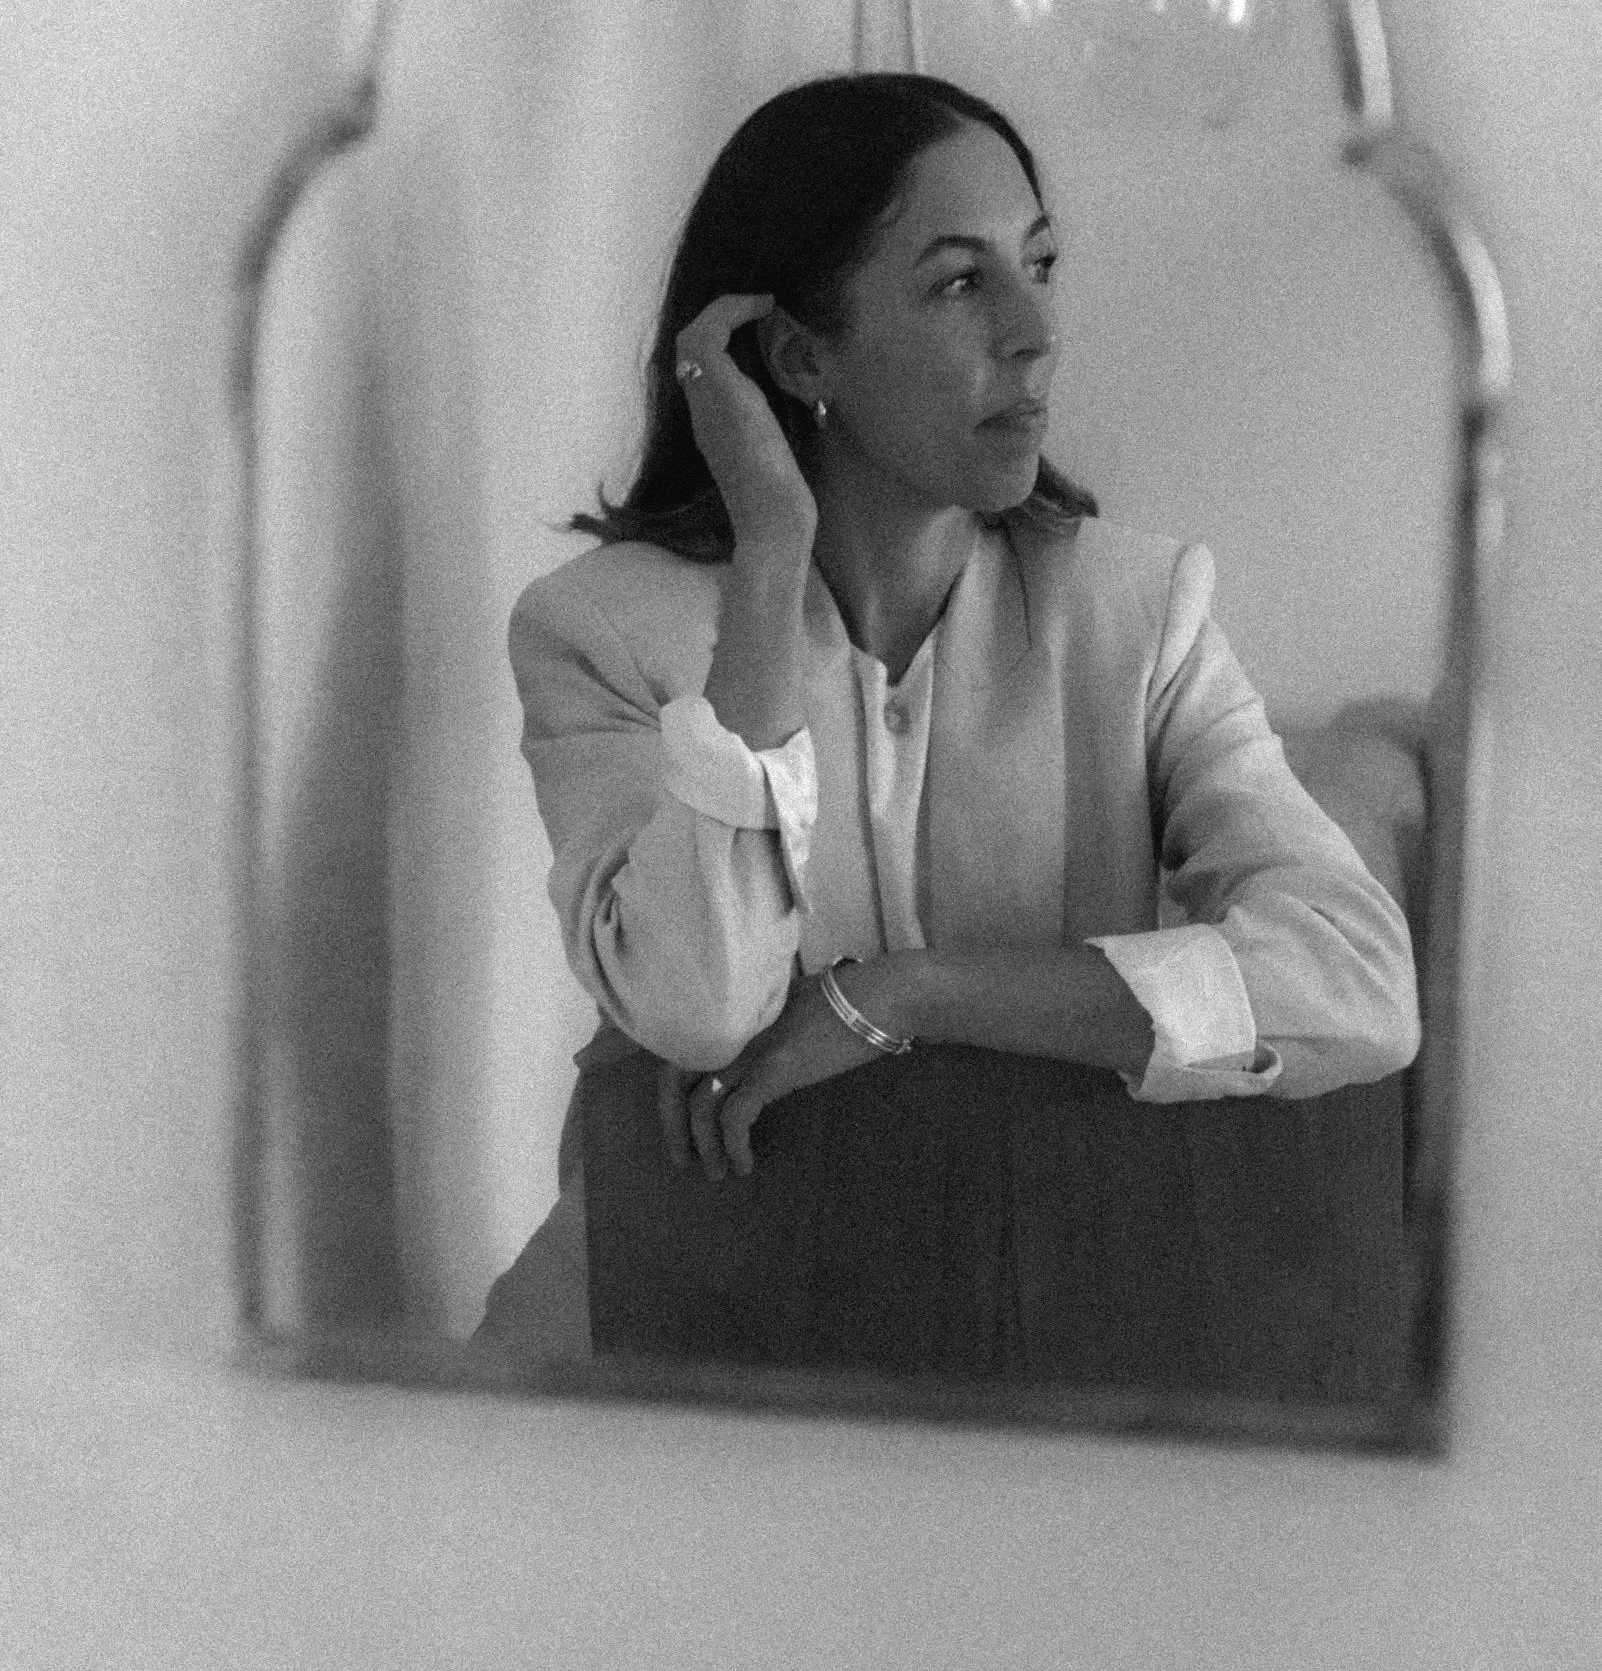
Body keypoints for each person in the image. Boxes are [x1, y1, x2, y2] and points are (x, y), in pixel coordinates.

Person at [476, 73, 1421, 1393]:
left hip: (1048, 1310)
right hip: (704, 1310)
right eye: (959, 284)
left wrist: (905, 997)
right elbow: (698, 1007)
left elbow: (1357, 984)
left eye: (1038, 269)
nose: (1034, 334)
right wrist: (768, 564)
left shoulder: (1132, 612)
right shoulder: (596, 634)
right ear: (800, 357)